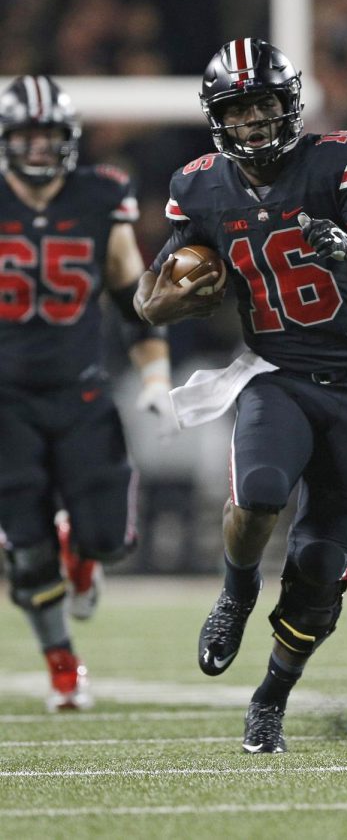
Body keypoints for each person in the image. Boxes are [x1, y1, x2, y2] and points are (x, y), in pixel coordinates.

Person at [133, 37, 347, 754]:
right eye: (239, 110)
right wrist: (171, 300)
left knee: (320, 573)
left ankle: (269, 701)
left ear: (290, 104)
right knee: (259, 491)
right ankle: (235, 593)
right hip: (277, 372)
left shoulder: (340, 158)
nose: (254, 122)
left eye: (264, 105)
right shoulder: (200, 185)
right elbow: (150, 295)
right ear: (216, 119)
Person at [0, 75, 173, 711]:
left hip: (79, 392)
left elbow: (134, 296)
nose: (40, 149)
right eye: (28, 137)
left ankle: (85, 555)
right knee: (27, 547)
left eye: (50, 137)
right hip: (5, 402)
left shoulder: (101, 195)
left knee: (110, 539)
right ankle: (63, 666)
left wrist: (154, 373)